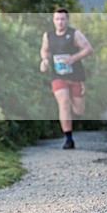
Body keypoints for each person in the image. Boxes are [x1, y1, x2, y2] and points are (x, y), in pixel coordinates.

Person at [40, 8, 94, 149]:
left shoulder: (74, 34)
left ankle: (72, 99)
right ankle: (68, 139)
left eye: (63, 19)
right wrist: (44, 60)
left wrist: (73, 58)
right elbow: (44, 49)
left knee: (78, 110)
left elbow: (88, 49)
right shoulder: (48, 36)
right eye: (57, 19)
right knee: (63, 104)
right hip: (58, 76)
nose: (60, 22)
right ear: (53, 20)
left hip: (76, 75)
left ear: (67, 20)